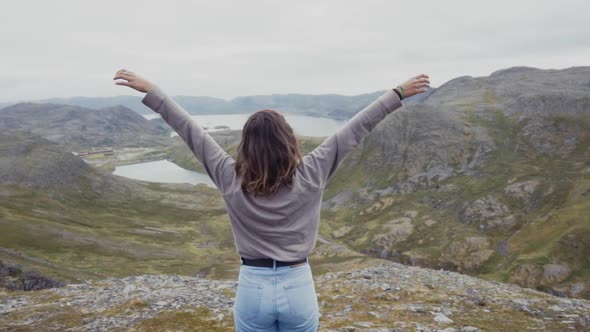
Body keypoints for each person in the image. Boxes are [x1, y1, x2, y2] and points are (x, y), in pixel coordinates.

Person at [113, 69, 429, 332]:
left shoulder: (228, 175)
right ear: (288, 140)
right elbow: (356, 128)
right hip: (298, 284)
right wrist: (397, 93)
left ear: (246, 146)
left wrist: (154, 92)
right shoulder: (313, 171)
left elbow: (190, 131)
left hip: (253, 285)